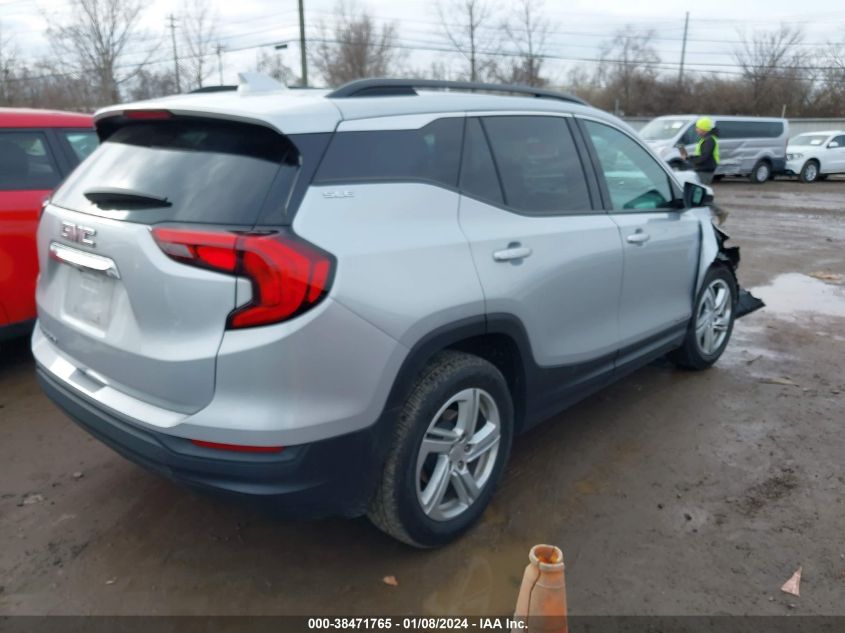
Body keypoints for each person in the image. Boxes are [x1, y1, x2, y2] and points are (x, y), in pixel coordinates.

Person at [678, 116, 719, 185]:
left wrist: (688, 158)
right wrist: (689, 158)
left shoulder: (709, 140)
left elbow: (703, 157)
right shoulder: (707, 139)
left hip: (705, 170)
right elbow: (702, 155)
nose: (696, 130)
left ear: (704, 129)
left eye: (698, 128)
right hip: (704, 169)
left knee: (702, 188)